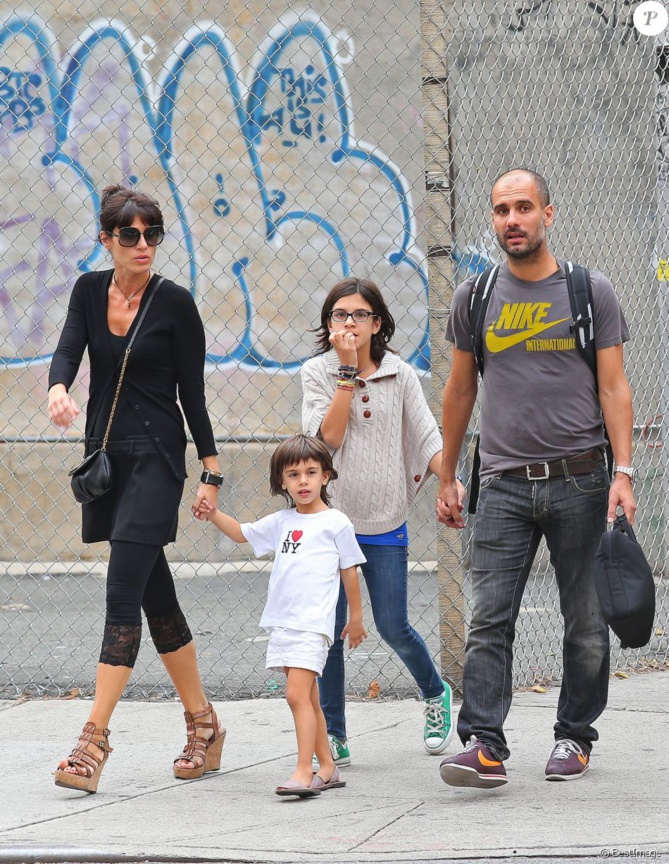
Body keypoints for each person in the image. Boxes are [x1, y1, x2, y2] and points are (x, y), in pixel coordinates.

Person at [437, 168, 636, 788]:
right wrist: (447, 474)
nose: (512, 220)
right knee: (488, 617)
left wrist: (622, 471)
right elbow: (460, 388)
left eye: (523, 207)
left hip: (581, 479)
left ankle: (575, 736)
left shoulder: (588, 291)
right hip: (500, 484)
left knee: (584, 617)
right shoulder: (474, 295)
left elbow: (613, 386)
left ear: (549, 215)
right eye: (501, 209)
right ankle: (484, 745)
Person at [48, 184, 226, 793]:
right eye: (131, 234)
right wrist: (57, 388)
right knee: (156, 595)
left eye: (153, 233)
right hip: (105, 456)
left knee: (122, 591)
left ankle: (92, 741)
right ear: (108, 240)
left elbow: (192, 396)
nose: (145, 244)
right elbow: (70, 348)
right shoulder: (88, 291)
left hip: (156, 460)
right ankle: (204, 724)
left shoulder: (176, 304)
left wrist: (211, 468)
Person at [301, 277, 461, 765]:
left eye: (358, 315)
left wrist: (448, 481)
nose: (348, 323)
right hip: (330, 526)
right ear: (328, 325)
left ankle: (436, 694)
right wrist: (347, 375)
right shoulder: (316, 372)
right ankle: (334, 732)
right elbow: (324, 441)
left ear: (377, 323)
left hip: (385, 520)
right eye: (338, 315)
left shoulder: (400, 374)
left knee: (392, 624)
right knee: (329, 630)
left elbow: (428, 436)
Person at [196, 434, 367, 797]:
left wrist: (356, 618)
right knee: (309, 698)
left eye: (310, 472)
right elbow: (242, 534)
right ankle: (329, 767)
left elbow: (349, 571)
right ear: (281, 481)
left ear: (326, 476)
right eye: (293, 474)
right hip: (284, 624)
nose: (303, 481)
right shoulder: (282, 521)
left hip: (313, 626)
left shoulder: (336, 522)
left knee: (295, 695)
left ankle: (304, 771)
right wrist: (213, 514)